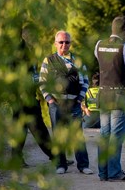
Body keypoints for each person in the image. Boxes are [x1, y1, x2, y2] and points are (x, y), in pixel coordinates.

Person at [95, 16, 125, 182]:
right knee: (116, 135)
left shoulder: (99, 45)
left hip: (104, 94)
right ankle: (114, 172)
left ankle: (103, 172)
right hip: (120, 95)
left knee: (104, 134)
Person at [39, 30, 92, 175]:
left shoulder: (78, 60)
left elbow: (85, 81)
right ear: (55, 44)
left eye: (67, 42)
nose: (64, 45)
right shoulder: (48, 60)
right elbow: (42, 81)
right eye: (61, 42)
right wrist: (49, 99)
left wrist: (80, 99)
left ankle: (83, 165)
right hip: (56, 104)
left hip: (74, 103)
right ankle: (60, 165)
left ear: (70, 44)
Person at [11, 27, 54, 167]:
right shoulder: (20, 52)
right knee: (37, 126)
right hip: (23, 95)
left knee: (23, 127)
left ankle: (17, 158)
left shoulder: (25, 50)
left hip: (22, 95)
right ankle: (54, 155)